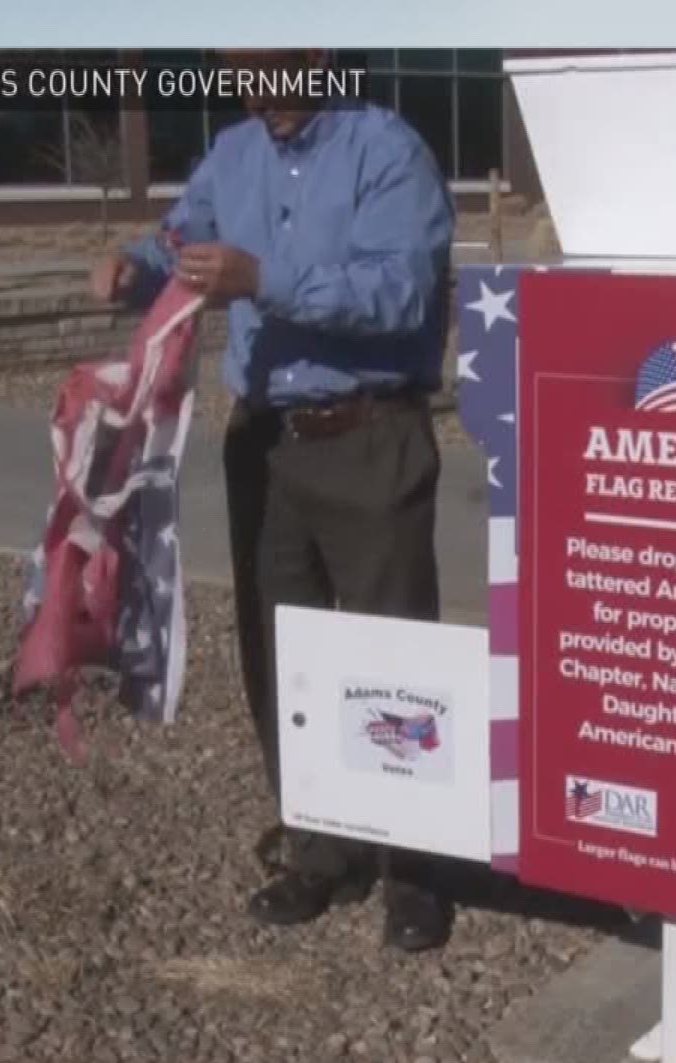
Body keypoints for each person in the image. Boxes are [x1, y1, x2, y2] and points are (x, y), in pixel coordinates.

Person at [90, 49, 457, 952]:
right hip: (266, 444)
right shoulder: (234, 155)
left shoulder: (386, 151)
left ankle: (413, 867)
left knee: (390, 653)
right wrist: (135, 269)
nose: (261, 92)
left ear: (319, 54)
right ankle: (320, 847)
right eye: (243, 73)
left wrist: (266, 280)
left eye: (275, 69)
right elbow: (179, 241)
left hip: (368, 431)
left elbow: (402, 289)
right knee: (280, 647)